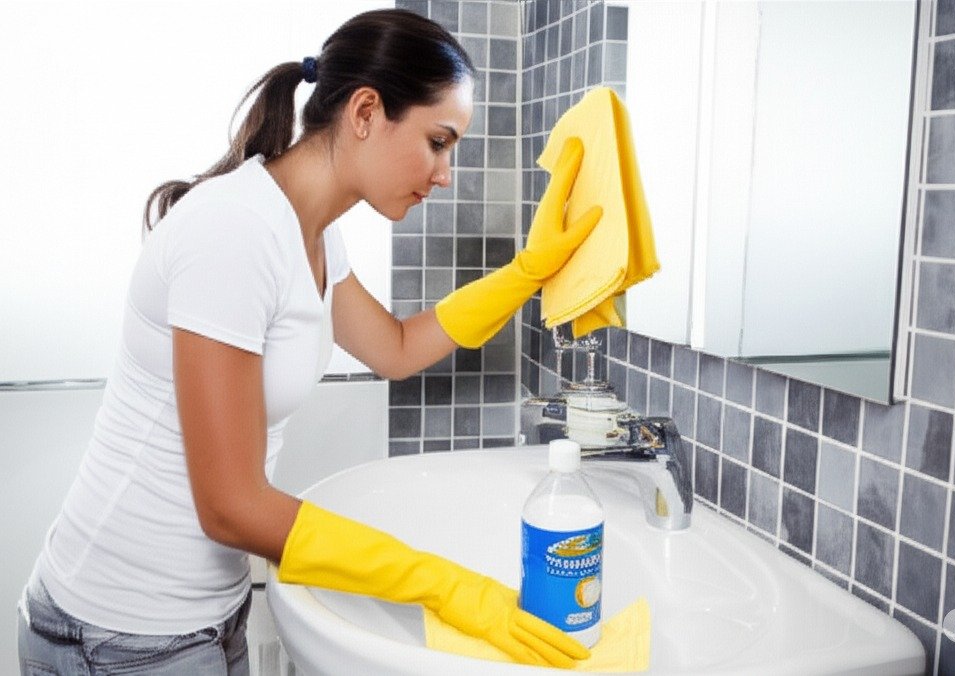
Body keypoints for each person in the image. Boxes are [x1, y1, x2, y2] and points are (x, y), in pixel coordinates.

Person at [16, 8, 602, 675]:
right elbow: (231, 506)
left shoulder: (314, 232)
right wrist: (445, 585)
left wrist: (528, 272)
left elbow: (397, 349)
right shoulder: (235, 231)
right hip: (117, 632)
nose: (445, 173)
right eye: (439, 141)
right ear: (365, 111)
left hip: (202, 618)